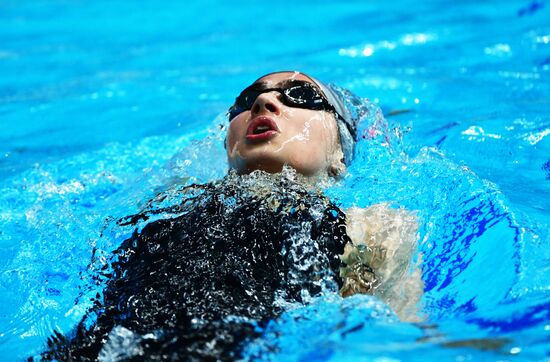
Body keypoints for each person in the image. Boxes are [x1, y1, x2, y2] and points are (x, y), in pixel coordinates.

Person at [39, 71, 422, 361]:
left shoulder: (372, 224)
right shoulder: (171, 209)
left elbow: (391, 336)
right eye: (246, 100)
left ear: (340, 153)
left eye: (300, 96)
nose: (263, 104)